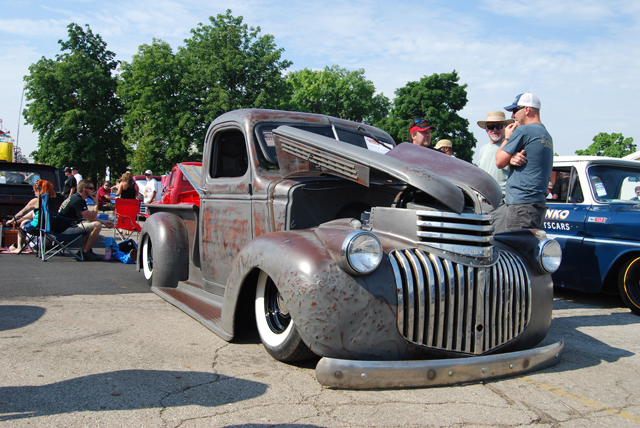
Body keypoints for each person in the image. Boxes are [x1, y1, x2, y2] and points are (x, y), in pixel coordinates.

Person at [496, 93, 553, 231]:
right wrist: (512, 158)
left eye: (515, 110)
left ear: (527, 109)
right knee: (530, 243)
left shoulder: (524, 130)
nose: (512, 116)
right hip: (537, 204)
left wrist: (507, 137)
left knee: (513, 244)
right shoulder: (546, 135)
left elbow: (499, 161)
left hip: (521, 205)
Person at [57, 179, 114, 261]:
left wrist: (104, 222)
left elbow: (88, 217)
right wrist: (96, 204)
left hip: (64, 227)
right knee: (97, 225)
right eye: (91, 188)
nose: (93, 190)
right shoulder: (78, 201)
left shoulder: (76, 197)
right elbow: (91, 218)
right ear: (84, 189)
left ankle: (85, 250)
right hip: (64, 230)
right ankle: (85, 252)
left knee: (93, 224)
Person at [5, 179, 59, 253]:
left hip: (39, 228)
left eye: (34, 190)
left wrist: (12, 219)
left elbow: (21, 213)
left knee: (23, 223)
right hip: (54, 227)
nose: (34, 193)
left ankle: (19, 247)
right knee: (34, 212)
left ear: (39, 190)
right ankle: (16, 221)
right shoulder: (56, 200)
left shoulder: (36, 201)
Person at [477, 111, 514, 197]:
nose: (495, 130)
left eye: (499, 126)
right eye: (490, 127)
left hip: (503, 198)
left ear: (505, 127)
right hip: (484, 199)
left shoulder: (511, 147)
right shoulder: (483, 149)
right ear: (486, 129)